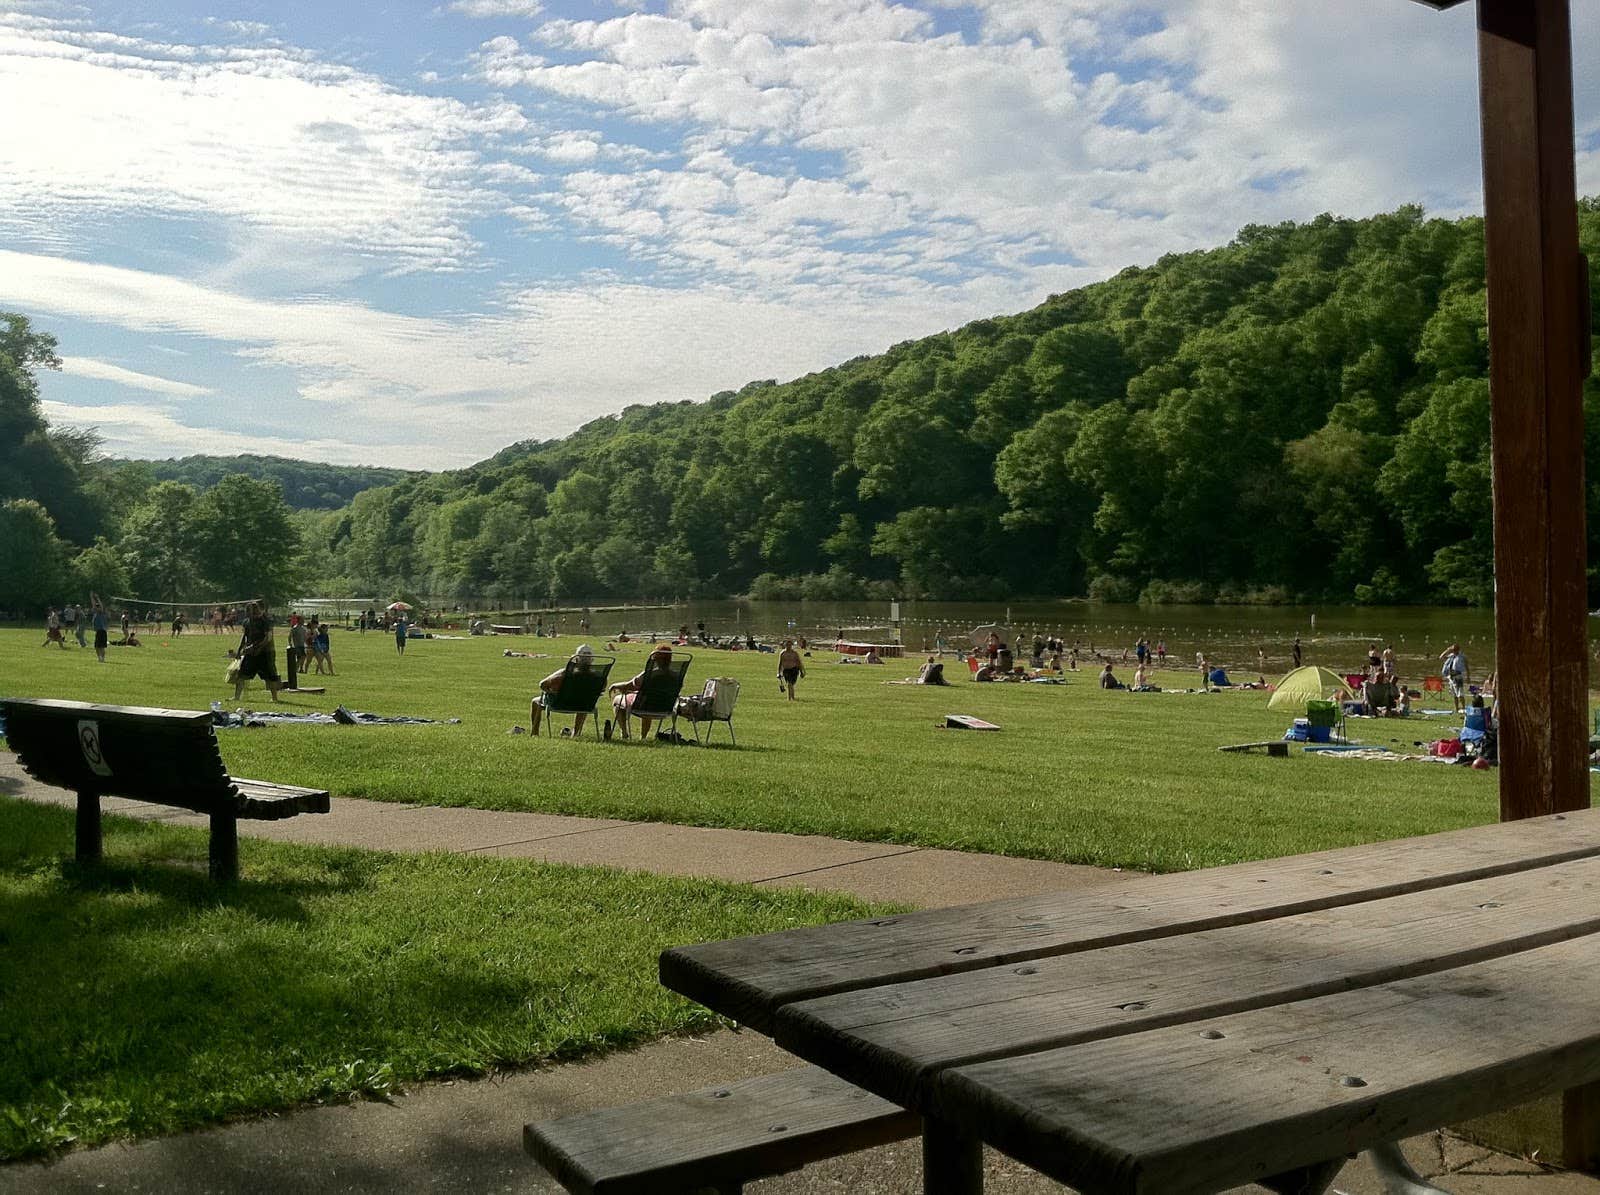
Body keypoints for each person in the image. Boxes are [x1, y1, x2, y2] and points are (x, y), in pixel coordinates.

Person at [609, 645, 674, 740]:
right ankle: (643, 737)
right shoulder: (675, 675)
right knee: (649, 699)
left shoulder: (650, 673)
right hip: (665, 707)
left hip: (644, 706)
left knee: (617, 700)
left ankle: (624, 732)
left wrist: (615, 686)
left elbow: (630, 685)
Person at [531, 645, 596, 736]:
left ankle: (535, 733)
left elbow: (542, 684)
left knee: (535, 701)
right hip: (584, 706)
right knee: (585, 699)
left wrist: (550, 692)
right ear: (592, 660)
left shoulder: (564, 673)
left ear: (576, 659)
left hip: (559, 704)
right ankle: (576, 733)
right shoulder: (598, 676)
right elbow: (602, 689)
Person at [233, 601, 283, 702]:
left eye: (251, 610)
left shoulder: (265, 621)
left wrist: (257, 648)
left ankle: (274, 698)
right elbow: (245, 637)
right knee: (241, 674)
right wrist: (240, 650)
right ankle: (236, 697)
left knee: (270, 675)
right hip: (250, 653)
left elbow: (268, 638)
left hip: (266, 652)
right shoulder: (247, 622)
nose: (248, 612)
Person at [1440, 643, 1469, 714]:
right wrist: (1448, 650)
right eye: (1453, 650)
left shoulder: (1462, 657)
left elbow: (1467, 667)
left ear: (1458, 650)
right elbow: (1441, 657)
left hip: (1458, 677)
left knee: (1460, 694)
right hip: (1451, 677)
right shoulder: (1451, 656)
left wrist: (1468, 677)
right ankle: (1457, 709)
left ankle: (1463, 708)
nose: (1453, 651)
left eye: (1454, 650)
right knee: (1454, 694)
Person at [90, 593, 110, 663]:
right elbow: (93, 605)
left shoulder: (101, 612)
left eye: (97, 607)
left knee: (101, 646)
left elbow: (101, 606)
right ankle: (100, 658)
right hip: (98, 631)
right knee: (97, 646)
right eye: (96, 607)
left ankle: (102, 658)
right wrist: (91, 597)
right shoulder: (95, 613)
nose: (96, 607)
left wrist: (97, 598)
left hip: (102, 631)